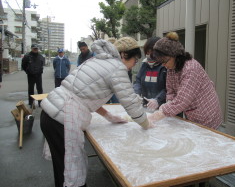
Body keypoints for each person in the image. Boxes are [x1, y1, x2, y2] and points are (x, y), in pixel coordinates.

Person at [40, 38, 152, 187]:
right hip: (63, 119)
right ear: (124, 55)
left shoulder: (97, 61)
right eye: (135, 59)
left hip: (51, 113)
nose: (134, 64)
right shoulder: (117, 68)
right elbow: (130, 102)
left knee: (62, 168)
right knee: (71, 171)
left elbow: (84, 95)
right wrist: (146, 123)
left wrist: (109, 116)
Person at [147, 32, 222, 129]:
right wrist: (169, 102)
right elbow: (170, 90)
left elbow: (182, 100)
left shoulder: (190, 69)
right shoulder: (171, 68)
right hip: (192, 115)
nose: (163, 65)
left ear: (175, 55)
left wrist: (162, 112)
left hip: (207, 115)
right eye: (161, 62)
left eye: (164, 61)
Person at [133, 37, 167, 111]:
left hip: (163, 108)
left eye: (151, 52)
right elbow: (138, 81)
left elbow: (169, 89)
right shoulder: (144, 64)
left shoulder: (165, 66)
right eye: (147, 52)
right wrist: (136, 93)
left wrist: (157, 100)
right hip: (146, 105)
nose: (149, 55)